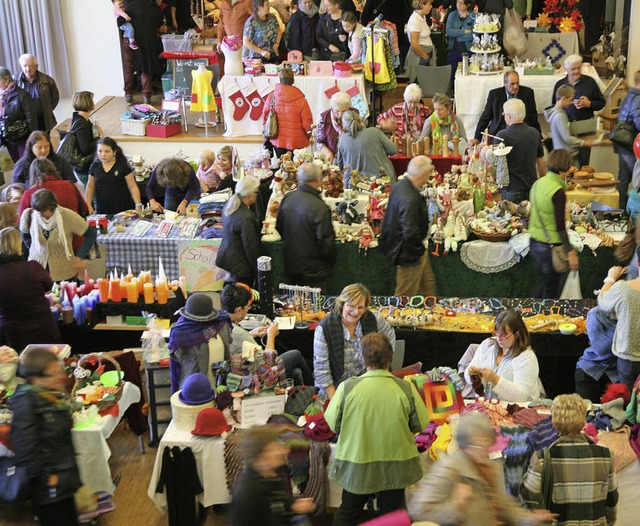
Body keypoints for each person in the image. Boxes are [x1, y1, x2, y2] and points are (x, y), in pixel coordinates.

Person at [325, 332, 430, 525]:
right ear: (390, 358)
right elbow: (421, 424)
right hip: (395, 467)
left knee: (348, 512)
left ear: (363, 358)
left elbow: (333, 424)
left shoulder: (348, 388)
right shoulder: (405, 388)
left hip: (356, 464)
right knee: (391, 517)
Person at [409, 412, 556, 526]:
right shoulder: (449, 470)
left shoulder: (490, 465)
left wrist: (529, 519)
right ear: (465, 446)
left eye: (488, 442)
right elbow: (418, 510)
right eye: (479, 444)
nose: (485, 449)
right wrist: (455, 506)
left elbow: (504, 506)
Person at [9, 346, 81, 525]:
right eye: (54, 373)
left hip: (64, 481)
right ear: (35, 378)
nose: (61, 375)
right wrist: (47, 478)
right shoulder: (26, 402)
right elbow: (24, 449)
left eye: (60, 370)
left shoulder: (50, 396)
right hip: (50, 488)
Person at [520, 394, 618, 526]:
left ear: (554, 424)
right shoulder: (606, 455)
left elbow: (529, 494)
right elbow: (612, 498)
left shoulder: (543, 457)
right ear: (584, 423)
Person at [221, 282, 313, 385]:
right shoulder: (240, 333)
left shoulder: (222, 324)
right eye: (247, 307)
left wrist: (252, 334)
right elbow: (269, 365)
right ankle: (314, 387)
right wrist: (271, 336)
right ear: (238, 310)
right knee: (296, 354)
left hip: (241, 371)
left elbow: (237, 343)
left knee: (297, 372)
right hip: (255, 377)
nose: (248, 310)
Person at [314, 283, 396, 399]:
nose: (356, 312)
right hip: (336, 389)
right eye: (352, 306)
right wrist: (337, 403)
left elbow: (390, 337)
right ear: (342, 304)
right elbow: (322, 372)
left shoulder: (374, 319)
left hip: (369, 384)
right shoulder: (325, 328)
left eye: (361, 307)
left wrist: (383, 365)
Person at [229, 425, 316, 526]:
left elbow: (278, 502)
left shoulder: (271, 474)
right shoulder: (248, 492)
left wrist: (293, 506)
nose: (285, 450)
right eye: (275, 448)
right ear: (261, 457)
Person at [380, 155, 437, 296]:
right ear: (424, 174)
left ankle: (430, 313)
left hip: (409, 250)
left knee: (427, 285)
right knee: (405, 295)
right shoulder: (410, 197)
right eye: (430, 172)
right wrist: (419, 251)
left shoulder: (401, 186)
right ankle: (399, 317)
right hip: (409, 253)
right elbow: (410, 232)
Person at [528, 149, 579, 299]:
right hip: (549, 247)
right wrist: (570, 252)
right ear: (565, 168)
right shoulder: (558, 192)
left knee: (545, 284)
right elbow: (560, 226)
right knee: (551, 292)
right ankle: (546, 319)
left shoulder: (538, 183)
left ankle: (530, 310)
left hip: (534, 241)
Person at [0, 227, 62, 350]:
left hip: (11, 333)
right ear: (19, 245)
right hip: (42, 328)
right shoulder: (33, 268)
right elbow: (49, 286)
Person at [275, 162, 336, 287]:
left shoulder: (288, 198)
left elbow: (279, 227)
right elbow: (326, 242)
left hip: (291, 264)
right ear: (318, 179)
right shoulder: (320, 207)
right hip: (315, 270)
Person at [464, 309, 542, 402]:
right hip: (488, 406)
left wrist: (495, 379)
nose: (498, 338)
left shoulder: (527, 357)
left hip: (519, 410)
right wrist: (472, 375)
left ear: (517, 334)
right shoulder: (487, 344)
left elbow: (521, 396)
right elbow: (467, 377)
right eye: (496, 333)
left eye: (504, 335)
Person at [19, 189, 97, 282]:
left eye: (42, 211)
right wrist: (33, 250)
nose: (39, 214)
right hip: (37, 270)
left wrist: (79, 257)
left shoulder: (67, 215)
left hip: (64, 272)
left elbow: (91, 234)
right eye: (37, 210)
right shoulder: (29, 214)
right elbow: (24, 236)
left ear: (52, 207)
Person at [168, 293, 232, 391]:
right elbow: (175, 365)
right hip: (192, 389)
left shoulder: (222, 323)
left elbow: (229, 344)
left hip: (220, 384)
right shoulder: (181, 333)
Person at [551, 54, 605, 167]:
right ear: (566, 69)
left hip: (585, 130)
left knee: (584, 165)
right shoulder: (560, 84)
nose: (576, 71)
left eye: (578, 68)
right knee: (567, 166)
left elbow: (601, 103)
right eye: (573, 69)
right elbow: (554, 105)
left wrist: (589, 104)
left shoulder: (590, 82)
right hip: (566, 130)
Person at [594, 263, 640, 390]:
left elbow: (603, 301)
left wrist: (610, 278)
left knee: (629, 403)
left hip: (629, 357)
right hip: (628, 358)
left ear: (638, 263)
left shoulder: (622, 288)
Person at [496, 98, 546, 203]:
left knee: (510, 219)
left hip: (511, 190)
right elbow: (541, 161)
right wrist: (543, 183)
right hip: (531, 187)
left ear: (508, 116)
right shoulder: (535, 133)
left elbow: (495, 164)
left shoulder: (502, 136)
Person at [471, 70, 540, 145]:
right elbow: (485, 118)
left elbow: (533, 118)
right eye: (512, 84)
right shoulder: (494, 95)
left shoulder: (528, 93)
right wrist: (477, 138)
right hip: (499, 133)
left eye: (517, 83)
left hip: (521, 134)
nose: (516, 87)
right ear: (505, 84)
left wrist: (539, 137)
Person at [216, 176, 262, 286]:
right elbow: (251, 247)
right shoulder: (247, 217)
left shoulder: (230, 206)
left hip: (229, 258)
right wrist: (259, 272)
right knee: (242, 296)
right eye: (256, 191)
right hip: (241, 265)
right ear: (250, 194)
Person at [337, 110, 397, 185]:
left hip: (354, 187)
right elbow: (393, 150)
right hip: (381, 183)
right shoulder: (375, 132)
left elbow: (340, 167)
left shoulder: (342, 140)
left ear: (344, 125)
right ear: (360, 120)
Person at [262, 67, 313, 156]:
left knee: (281, 165)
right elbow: (307, 123)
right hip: (297, 140)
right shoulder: (301, 100)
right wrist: (308, 135)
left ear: (280, 80)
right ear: (293, 80)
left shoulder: (272, 96)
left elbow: (265, 116)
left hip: (277, 138)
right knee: (297, 166)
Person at [18, 158, 88, 222]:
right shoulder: (68, 185)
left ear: (33, 174)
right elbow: (84, 209)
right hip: (74, 231)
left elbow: (22, 221)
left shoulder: (28, 194)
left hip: (43, 235)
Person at [121, 0, 164, 104]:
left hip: (129, 39)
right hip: (147, 39)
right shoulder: (152, 5)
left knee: (129, 67)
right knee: (146, 66)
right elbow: (158, 22)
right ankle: (147, 96)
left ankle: (129, 95)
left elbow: (119, 21)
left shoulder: (126, 3)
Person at [85, 137, 142, 215]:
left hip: (122, 206)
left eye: (107, 151)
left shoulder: (122, 166)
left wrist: (138, 204)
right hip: (102, 206)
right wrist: (88, 204)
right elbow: (90, 186)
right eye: (100, 151)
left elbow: (133, 186)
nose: (103, 154)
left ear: (114, 152)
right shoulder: (95, 166)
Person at [544, 85, 596, 167]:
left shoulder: (555, 113)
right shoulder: (560, 116)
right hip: (567, 157)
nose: (571, 102)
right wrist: (584, 143)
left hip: (562, 155)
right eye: (570, 100)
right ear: (563, 98)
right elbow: (567, 138)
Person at [613, 70, 640, 210]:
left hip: (622, 143)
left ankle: (621, 211)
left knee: (623, 180)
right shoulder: (638, 98)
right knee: (634, 181)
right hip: (629, 145)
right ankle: (627, 212)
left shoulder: (630, 95)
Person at [11, 131, 76, 188]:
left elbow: (72, 184)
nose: (43, 150)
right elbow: (16, 188)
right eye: (39, 148)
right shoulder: (22, 165)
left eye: (46, 147)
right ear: (31, 148)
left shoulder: (61, 161)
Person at [13, 54, 60, 133]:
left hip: (43, 121)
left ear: (36, 66)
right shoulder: (14, 81)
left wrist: (46, 110)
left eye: (31, 66)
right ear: (21, 66)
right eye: (25, 66)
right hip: (23, 122)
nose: (28, 69)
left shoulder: (47, 81)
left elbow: (54, 99)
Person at [361, 0, 413, 67]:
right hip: (396, 35)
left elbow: (364, 18)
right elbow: (407, 15)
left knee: (379, 63)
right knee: (394, 61)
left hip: (378, 37)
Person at [0, 66, 37, 162]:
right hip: (7, 139)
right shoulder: (1, 96)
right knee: (15, 167)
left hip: (22, 139)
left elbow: (31, 118)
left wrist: (32, 140)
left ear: (7, 80)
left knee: (25, 165)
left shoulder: (22, 95)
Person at [67, 91, 101, 187]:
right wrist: (99, 138)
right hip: (84, 168)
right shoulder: (82, 124)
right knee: (95, 198)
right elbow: (85, 149)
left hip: (84, 168)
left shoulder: (80, 120)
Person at [445, 0, 474, 92]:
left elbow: (474, 34)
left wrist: (458, 36)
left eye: (462, 2)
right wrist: (464, 31)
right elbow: (449, 31)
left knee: (468, 77)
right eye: (458, 2)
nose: (459, 4)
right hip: (453, 51)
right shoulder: (452, 15)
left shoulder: (474, 16)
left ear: (468, 4)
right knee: (452, 76)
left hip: (468, 52)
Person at [316, 91, 352, 162]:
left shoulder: (354, 114)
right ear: (332, 108)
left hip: (351, 157)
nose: (340, 115)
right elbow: (320, 142)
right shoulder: (324, 118)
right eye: (337, 111)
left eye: (344, 111)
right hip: (333, 159)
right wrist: (328, 153)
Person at [404, 0, 434, 82]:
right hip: (420, 57)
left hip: (425, 54)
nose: (431, 6)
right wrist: (425, 57)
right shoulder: (415, 20)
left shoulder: (422, 17)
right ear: (421, 5)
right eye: (429, 4)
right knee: (419, 84)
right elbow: (414, 44)